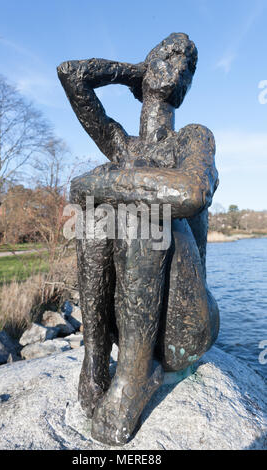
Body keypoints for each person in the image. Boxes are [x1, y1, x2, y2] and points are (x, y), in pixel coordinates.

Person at [58, 33, 219, 445]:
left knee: (140, 205)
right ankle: (95, 360)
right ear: (147, 65)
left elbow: (191, 192)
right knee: (98, 212)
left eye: (189, 66)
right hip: (131, 321)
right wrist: (132, 73)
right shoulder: (123, 146)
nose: (180, 66)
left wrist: (97, 181)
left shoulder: (193, 139)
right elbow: (72, 74)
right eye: (169, 55)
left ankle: (134, 374)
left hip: (184, 324)